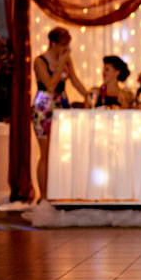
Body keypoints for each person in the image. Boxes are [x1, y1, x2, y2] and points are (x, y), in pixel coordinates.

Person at [32, 27, 89, 203]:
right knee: (45, 152)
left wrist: (87, 95)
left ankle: (57, 191)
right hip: (44, 108)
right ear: (54, 43)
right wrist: (60, 64)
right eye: (63, 45)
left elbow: (75, 81)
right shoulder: (40, 61)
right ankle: (43, 196)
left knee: (59, 152)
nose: (66, 49)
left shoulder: (66, 60)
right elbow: (49, 85)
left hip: (61, 107)